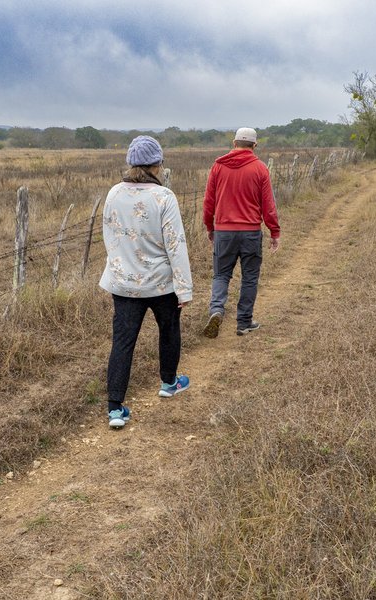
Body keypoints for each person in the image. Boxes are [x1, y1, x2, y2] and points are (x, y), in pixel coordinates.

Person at [99, 135, 192, 429]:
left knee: (123, 342)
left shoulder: (114, 193)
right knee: (168, 330)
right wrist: (184, 287)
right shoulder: (164, 197)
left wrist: (119, 266)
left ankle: (115, 408)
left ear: (130, 163)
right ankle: (168, 382)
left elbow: (109, 235)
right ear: (157, 164)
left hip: (124, 283)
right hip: (161, 283)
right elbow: (176, 244)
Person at [202, 127, 280, 338]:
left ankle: (216, 310)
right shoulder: (260, 168)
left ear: (234, 143)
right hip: (250, 232)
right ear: (254, 145)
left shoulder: (218, 166)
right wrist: (274, 231)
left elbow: (209, 201)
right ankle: (244, 322)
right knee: (250, 277)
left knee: (221, 274)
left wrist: (210, 226)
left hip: (224, 232)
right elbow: (268, 205)